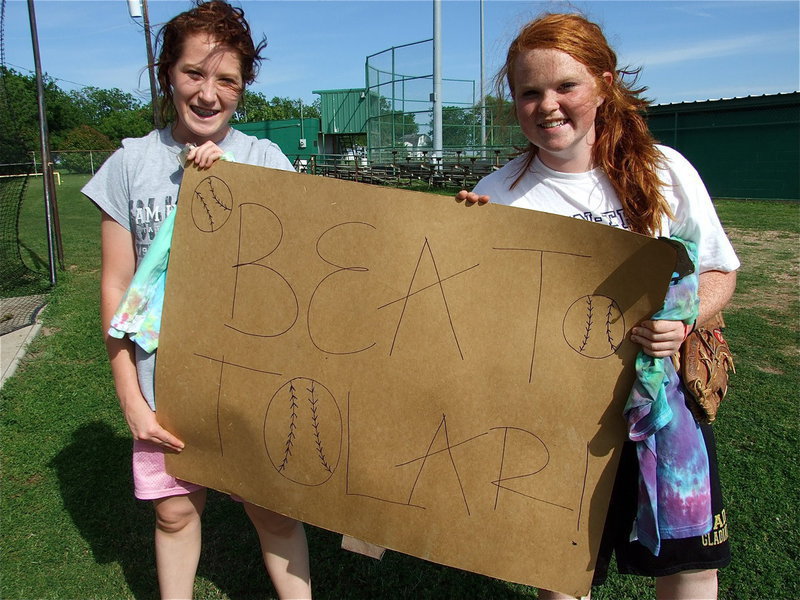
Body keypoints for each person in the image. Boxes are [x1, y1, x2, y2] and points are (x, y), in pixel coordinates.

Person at [457, 13, 739, 600]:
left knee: (691, 566)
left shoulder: (664, 171)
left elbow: (718, 270)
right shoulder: (499, 193)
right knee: (563, 568)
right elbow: (476, 315)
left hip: (663, 406)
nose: (548, 105)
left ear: (605, 84)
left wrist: (684, 320)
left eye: (566, 86)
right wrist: (462, 237)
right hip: (556, 410)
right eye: (529, 92)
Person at [82, 2, 312, 598]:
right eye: (193, 74)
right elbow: (116, 286)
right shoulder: (129, 164)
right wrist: (129, 397)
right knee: (175, 513)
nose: (209, 94)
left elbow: (299, 268)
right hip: (162, 388)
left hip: (251, 388)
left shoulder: (265, 160)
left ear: (243, 87)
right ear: (167, 74)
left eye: (226, 80)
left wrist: (233, 182)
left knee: (276, 514)